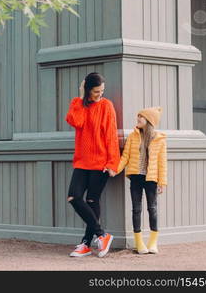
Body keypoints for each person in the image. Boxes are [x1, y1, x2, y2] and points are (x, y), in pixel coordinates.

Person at [65, 72, 120, 258]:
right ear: (88, 89)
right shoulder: (78, 104)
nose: (100, 94)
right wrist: (81, 97)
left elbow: (111, 135)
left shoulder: (107, 106)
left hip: (101, 163)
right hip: (82, 161)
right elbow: (75, 121)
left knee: (91, 201)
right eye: (96, 91)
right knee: (74, 197)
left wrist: (113, 163)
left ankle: (86, 244)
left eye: (102, 91)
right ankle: (102, 235)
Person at [116, 107, 167, 254]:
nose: (138, 119)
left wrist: (162, 182)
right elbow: (125, 156)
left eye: (141, 117)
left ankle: (152, 242)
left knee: (152, 209)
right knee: (136, 210)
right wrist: (116, 170)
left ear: (149, 121)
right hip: (135, 177)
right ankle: (139, 243)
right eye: (138, 116)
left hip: (151, 179)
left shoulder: (160, 139)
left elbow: (162, 163)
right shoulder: (133, 136)